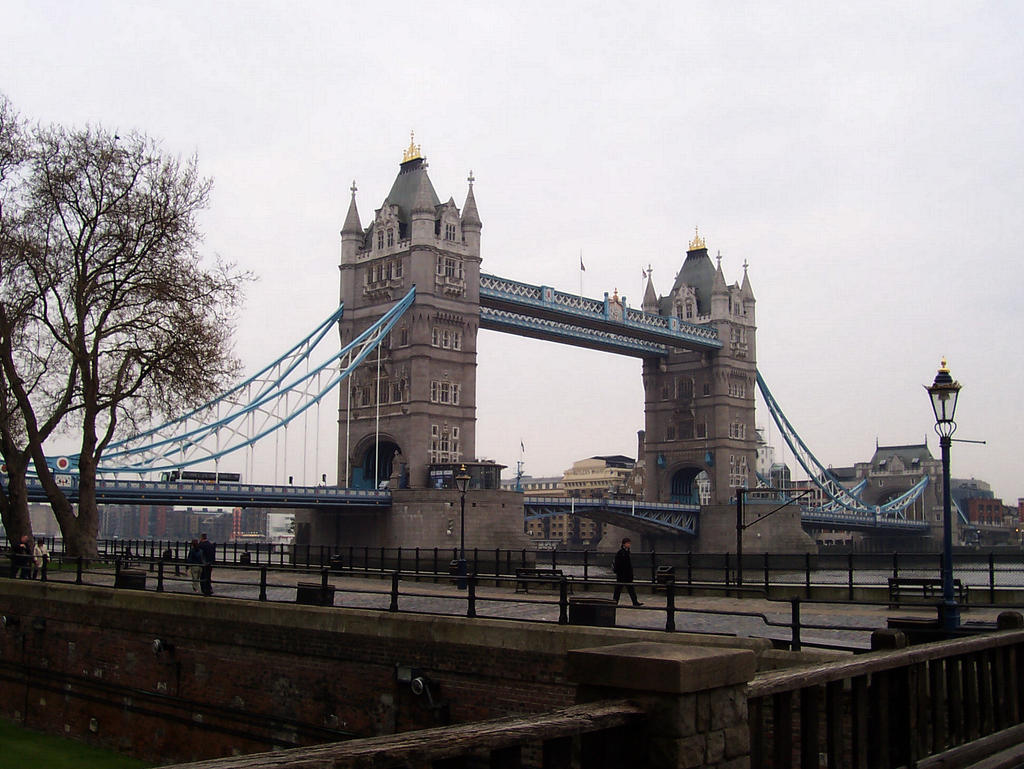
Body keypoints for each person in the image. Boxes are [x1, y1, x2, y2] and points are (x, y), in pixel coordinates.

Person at [612, 537, 643, 607]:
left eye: (629, 543)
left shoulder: (627, 552)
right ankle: (615, 602)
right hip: (622, 574)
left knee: (629, 589)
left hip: (626, 575)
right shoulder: (621, 553)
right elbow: (619, 564)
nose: (629, 544)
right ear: (624, 544)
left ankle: (634, 602)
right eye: (628, 543)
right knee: (619, 589)